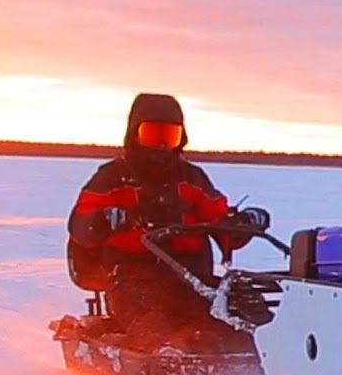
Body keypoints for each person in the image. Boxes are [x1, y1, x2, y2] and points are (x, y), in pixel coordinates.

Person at [66, 93, 251, 353]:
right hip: (133, 278)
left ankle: (268, 361)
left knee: (240, 313)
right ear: (135, 135)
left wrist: (240, 224)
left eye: (170, 137)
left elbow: (221, 220)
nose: (162, 146)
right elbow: (80, 225)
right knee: (153, 326)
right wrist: (105, 220)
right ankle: (167, 368)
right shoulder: (112, 178)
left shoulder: (192, 178)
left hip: (192, 278)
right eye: (154, 136)